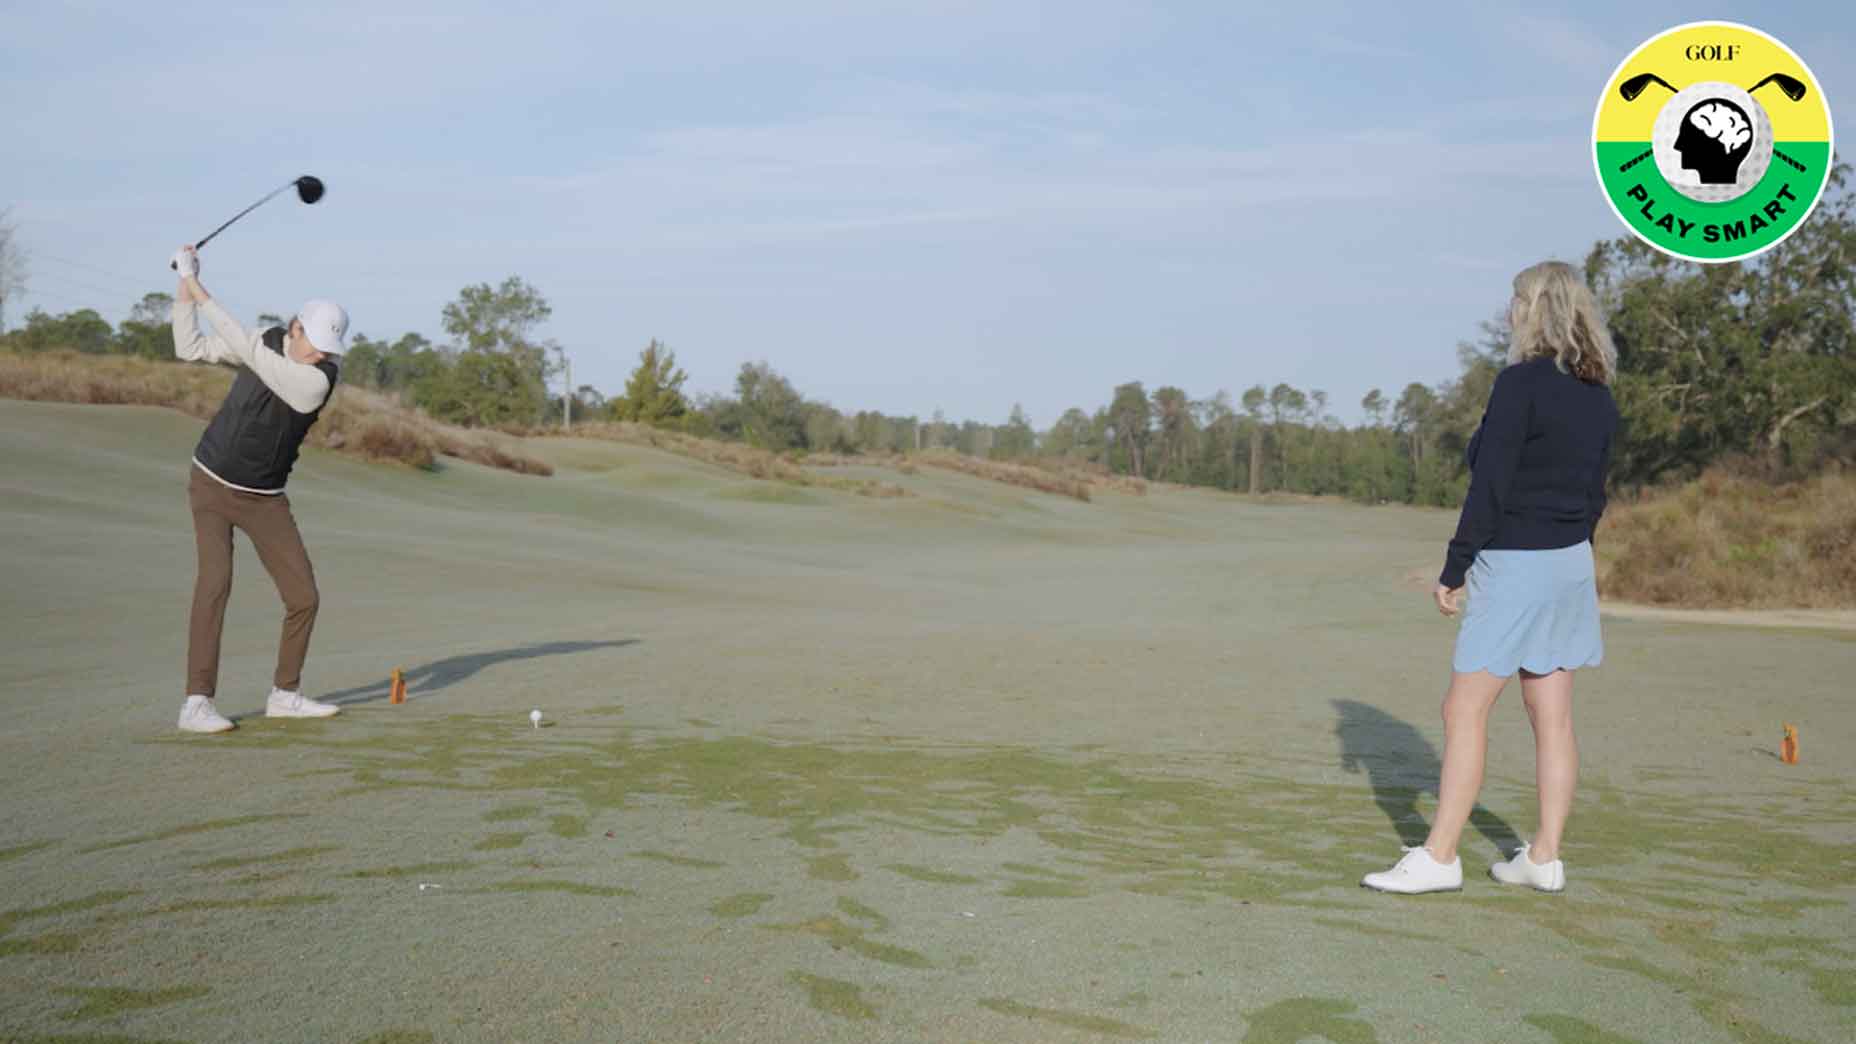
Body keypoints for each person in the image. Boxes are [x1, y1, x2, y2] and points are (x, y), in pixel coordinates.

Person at [1363, 260, 1619, 895]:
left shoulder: (1519, 383)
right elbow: (1595, 494)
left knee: (1463, 707)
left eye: (1514, 301)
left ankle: (1441, 856)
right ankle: (1545, 856)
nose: (1508, 312)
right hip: (1570, 564)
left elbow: (1491, 485)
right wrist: (1571, 551)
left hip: (1519, 563)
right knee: (1551, 713)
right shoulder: (1598, 393)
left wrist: (1455, 567)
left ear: (1534, 310)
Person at [169, 244, 349, 733]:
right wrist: (185, 285)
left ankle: (285, 694)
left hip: (263, 498)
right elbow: (191, 348)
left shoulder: (317, 381)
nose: (319, 353)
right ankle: (196, 703)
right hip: (209, 480)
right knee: (215, 584)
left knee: (304, 595)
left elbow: (249, 352)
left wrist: (200, 287)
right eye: (312, 342)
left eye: (327, 349)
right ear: (294, 327)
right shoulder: (266, 339)